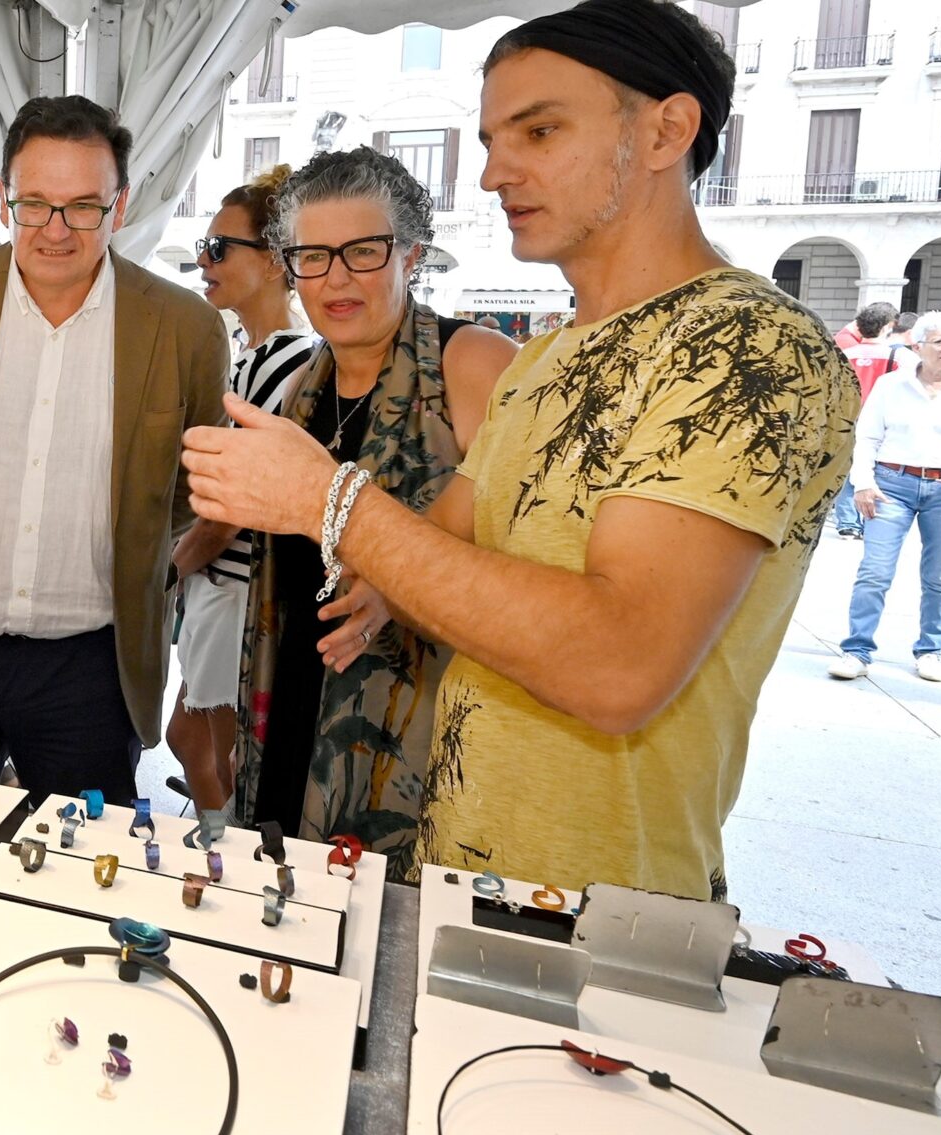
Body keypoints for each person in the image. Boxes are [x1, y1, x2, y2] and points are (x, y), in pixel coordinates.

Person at [182, 0, 860, 900]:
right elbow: (444, 533)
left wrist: (326, 500)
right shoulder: (545, 358)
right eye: (492, 140)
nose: (495, 172)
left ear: (667, 130)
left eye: (539, 131)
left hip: (595, 905)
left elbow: (621, 665)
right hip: (459, 869)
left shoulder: (746, 345)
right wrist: (375, 589)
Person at [0, 95, 230, 804]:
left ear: (119, 205)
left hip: (92, 665)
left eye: (83, 207)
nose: (56, 230)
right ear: (4, 199)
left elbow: (193, 481)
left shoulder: (185, 327)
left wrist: (125, 534)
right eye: (35, 204)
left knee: (85, 864)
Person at [228, 149, 518, 864]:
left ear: (410, 255)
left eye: (362, 251)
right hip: (294, 690)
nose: (336, 278)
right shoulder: (301, 387)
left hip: (411, 715)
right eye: (312, 257)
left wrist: (398, 579)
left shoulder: (471, 364)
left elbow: (522, 550)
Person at [164, 165, 313, 823]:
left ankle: (225, 857)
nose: (204, 260)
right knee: (196, 741)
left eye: (220, 248)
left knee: (221, 755)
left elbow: (229, 511)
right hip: (232, 589)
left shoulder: (278, 362)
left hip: (237, 592)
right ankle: (222, 849)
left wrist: (165, 573)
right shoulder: (270, 356)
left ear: (276, 260)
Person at [828, 312, 941, 684]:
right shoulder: (892, 385)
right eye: (940, 341)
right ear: (918, 345)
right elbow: (868, 437)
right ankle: (857, 650)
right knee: (874, 572)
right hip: (892, 485)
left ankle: (930, 651)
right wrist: (863, 482)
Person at [832, 302, 901, 538]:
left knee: (847, 467)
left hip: (847, 418)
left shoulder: (845, 355)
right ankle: (872, 518)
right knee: (877, 469)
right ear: (887, 327)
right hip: (883, 421)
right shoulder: (897, 356)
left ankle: (847, 522)